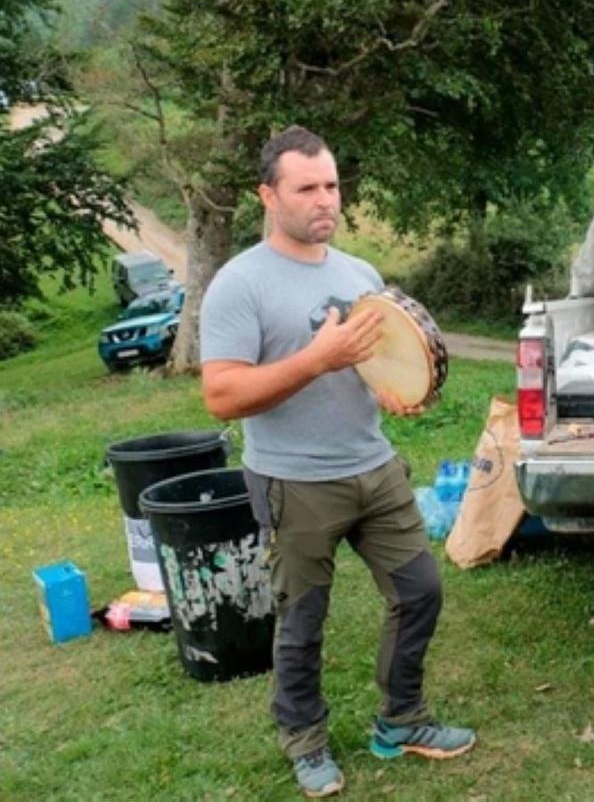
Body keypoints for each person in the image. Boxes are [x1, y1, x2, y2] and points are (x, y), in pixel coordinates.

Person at [199, 126, 474, 798]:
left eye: (332, 185)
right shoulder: (240, 284)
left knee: (420, 593)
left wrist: (394, 390)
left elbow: (374, 363)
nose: (326, 200)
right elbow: (221, 395)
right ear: (269, 195)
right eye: (307, 188)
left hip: (374, 468)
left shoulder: (360, 275)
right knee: (303, 621)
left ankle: (401, 719)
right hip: (294, 479)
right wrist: (316, 358)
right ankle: (305, 741)